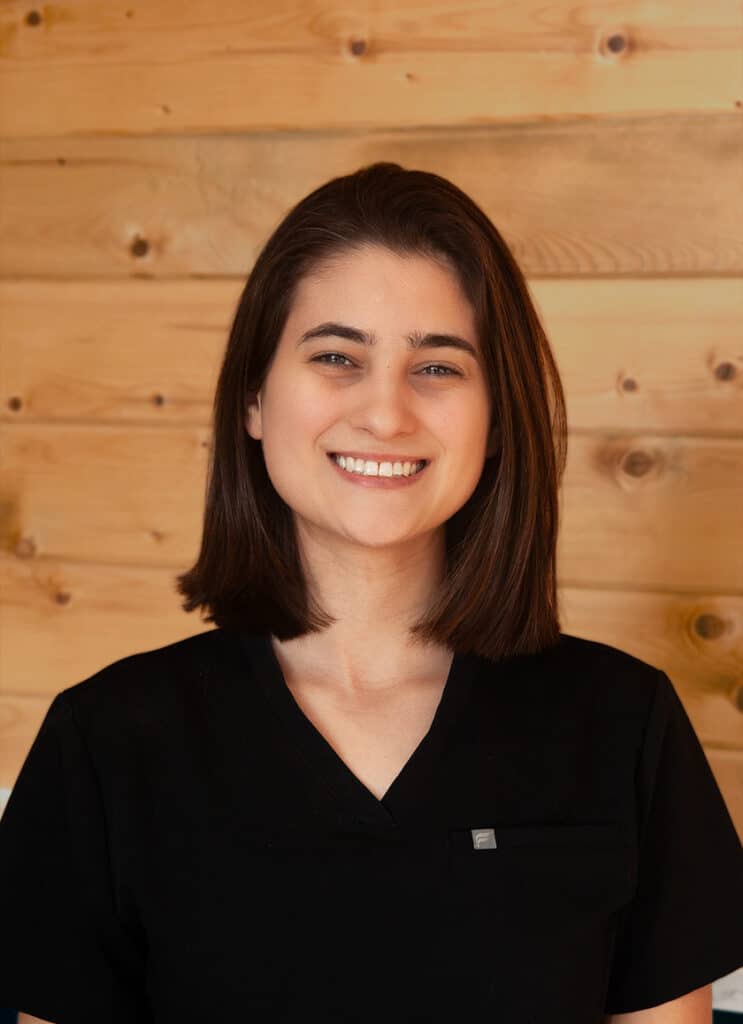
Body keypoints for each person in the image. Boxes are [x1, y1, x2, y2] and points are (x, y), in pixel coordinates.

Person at [1, 162, 741, 1024]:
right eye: (335, 357)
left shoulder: (624, 724)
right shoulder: (106, 741)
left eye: (436, 367)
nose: (385, 413)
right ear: (253, 397)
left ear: (498, 419)